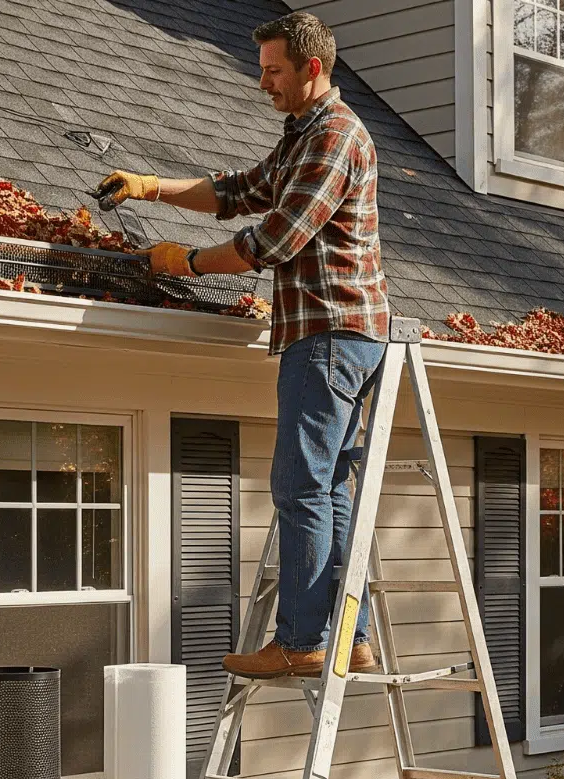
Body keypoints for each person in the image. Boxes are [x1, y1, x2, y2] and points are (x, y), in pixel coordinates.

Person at [100, 12, 390, 679]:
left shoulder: (336, 137)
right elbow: (236, 192)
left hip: (330, 332)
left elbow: (275, 240)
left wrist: (187, 263)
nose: (263, 82)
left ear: (312, 68)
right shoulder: (302, 137)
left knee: (299, 485)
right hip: (341, 334)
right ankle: (352, 637)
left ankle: (301, 641)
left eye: (273, 70)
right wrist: (150, 186)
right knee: (329, 489)